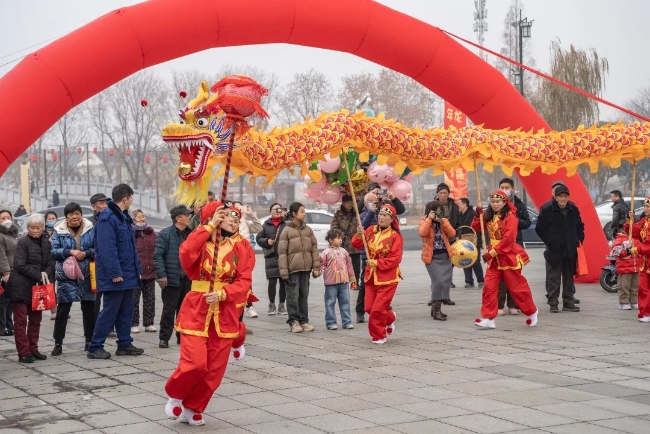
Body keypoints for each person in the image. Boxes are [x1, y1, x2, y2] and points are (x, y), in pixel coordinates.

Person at [164, 201, 253, 426]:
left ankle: (193, 407)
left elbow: (244, 280)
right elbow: (186, 253)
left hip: (224, 313)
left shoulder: (240, 247)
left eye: (235, 217)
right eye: (226, 215)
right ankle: (176, 394)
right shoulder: (200, 242)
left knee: (214, 371)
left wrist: (224, 293)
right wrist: (210, 226)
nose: (233, 220)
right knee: (195, 364)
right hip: (197, 309)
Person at [87, 184, 144, 359]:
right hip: (115, 275)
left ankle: (124, 343)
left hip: (127, 273)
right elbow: (106, 249)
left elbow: (130, 248)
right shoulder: (108, 218)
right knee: (110, 311)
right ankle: (95, 346)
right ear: (125, 199)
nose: (131, 201)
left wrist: (136, 269)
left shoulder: (123, 218)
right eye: (131, 198)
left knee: (126, 310)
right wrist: (114, 272)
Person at [472, 190, 538, 329]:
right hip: (494, 258)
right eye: (493, 202)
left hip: (508, 256)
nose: (495, 204)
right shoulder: (489, 215)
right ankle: (488, 317)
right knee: (489, 287)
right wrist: (478, 216)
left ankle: (532, 311)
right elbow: (477, 228)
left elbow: (508, 240)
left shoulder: (510, 217)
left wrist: (491, 253)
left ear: (504, 202)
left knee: (517, 288)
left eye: (498, 202)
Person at [5, 214, 55, 363]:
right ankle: (23, 351)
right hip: (20, 286)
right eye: (32, 227)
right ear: (28, 228)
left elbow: (50, 262)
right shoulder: (23, 242)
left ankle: (33, 348)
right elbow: (19, 264)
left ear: (43, 227)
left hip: (37, 288)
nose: (35, 230)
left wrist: (46, 273)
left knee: (36, 320)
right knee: (20, 321)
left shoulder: (46, 243)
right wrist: (39, 275)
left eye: (38, 227)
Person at [50, 203, 96, 355]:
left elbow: (98, 249)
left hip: (87, 275)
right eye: (71, 214)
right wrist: (70, 252)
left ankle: (89, 341)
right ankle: (58, 343)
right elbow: (54, 251)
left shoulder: (91, 229)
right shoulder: (59, 230)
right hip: (66, 276)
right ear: (66, 217)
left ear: (81, 215)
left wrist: (86, 253)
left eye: (77, 213)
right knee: (63, 310)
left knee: (89, 309)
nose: (75, 217)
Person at [352, 203, 402, 344]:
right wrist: (359, 234)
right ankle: (390, 317)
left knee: (378, 309)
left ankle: (379, 335)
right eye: (380, 214)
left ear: (392, 219)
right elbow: (357, 244)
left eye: (385, 215)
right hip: (371, 276)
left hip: (388, 278)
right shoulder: (370, 230)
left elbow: (395, 259)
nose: (381, 217)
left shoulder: (395, 237)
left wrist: (376, 263)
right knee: (369, 308)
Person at [535, 185, 584, 313]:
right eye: (560, 196)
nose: (563, 199)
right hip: (554, 250)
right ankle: (553, 303)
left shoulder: (573, 209)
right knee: (554, 277)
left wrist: (579, 239)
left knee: (569, 277)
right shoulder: (547, 209)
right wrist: (549, 241)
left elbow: (579, 226)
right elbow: (539, 228)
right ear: (555, 197)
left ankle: (568, 302)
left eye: (565, 196)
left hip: (570, 248)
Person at [278, 202, 321, 333]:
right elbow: (282, 253)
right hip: (292, 270)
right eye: (301, 211)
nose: (304, 214)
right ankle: (293, 321)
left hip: (306, 269)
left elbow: (314, 249)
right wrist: (284, 272)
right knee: (292, 296)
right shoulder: (286, 230)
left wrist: (316, 267)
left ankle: (304, 320)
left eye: (304, 211)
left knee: (304, 295)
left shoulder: (308, 230)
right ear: (294, 214)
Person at [155, 205, 193, 348]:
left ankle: (181, 336)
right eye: (186, 215)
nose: (189, 218)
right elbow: (158, 255)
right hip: (171, 278)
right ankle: (164, 338)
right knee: (169, 310)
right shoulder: (165, 234)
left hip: (188, 278)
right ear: (178, 218)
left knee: (185, 310)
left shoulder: (191, 234)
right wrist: (161, 275)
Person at [497, 177, 532, 315]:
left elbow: (527, 222)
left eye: (507, 187)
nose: (504, 190)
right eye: (502, 187)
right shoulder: (496, 203)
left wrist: (514, 221)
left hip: (515, 243)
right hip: (499, 245)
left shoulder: (519, 204)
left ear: (512, 188)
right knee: (500, 277)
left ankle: (513, 305)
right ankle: (499, 305)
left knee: (514, 275)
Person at [419, 201, 456, 321]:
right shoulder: (424, 221)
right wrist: (429, 219)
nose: (438, 213)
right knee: (438, 282)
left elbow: (452, 234)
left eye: (440, 210)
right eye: (435, 211)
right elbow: (422, 233)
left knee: (445, 282)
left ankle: (436, 308)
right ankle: (436, 310)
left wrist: (442, 222)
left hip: (445, 256)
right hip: (432, 257)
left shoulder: (443, 221)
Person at [320, 229, 356, 330]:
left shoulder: (344, 251)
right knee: (330, 303)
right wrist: (318, 272)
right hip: (331, 283)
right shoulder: (325, 253)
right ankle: (331, 322)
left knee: (345, 302)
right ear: (330, 240)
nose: (340, 240)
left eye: (341, 238)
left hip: (344, 282)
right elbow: (322, 265)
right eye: (338, 238)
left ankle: (347, 322)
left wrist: (352, 278)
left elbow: (349, 265)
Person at [88, 193, 113, 335]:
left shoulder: (112, 219)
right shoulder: (89, 223)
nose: (104, 206)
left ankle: (109, 327)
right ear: (94, 206)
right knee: (95, 300)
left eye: (106, 203)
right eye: (101, 203)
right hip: (94, 265)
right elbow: (88, 245)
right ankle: (94, 329)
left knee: (111, 299)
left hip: (110, 264)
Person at [232, 201, 262, 318]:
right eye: (235, 208)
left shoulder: (245, 222)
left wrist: (251, 214)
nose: (238, 210)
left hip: (245, 255)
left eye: (240, 207)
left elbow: (258, 228)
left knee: (246, 280)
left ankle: (249, 306)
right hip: (232, 255)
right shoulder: (228, 223)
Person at [256, 203, 287, 315]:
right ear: (270, 211)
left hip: (284, 257)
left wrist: (286, 216)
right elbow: (259, 238)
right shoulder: (265, 225)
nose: (278, 211)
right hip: (271, 257)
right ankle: (272, 304)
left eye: (280, 209)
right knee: (272, 282)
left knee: (283, 282)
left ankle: (282, 304)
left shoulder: (286, 224)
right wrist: (266, 241)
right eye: (275, 209)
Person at [131, 209, 157, 333]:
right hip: (136, 272)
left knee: (150, 298)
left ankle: (149, 323)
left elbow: (156, 249)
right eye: (139, 217)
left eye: (143, 216)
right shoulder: (131, 232)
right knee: (134, 299)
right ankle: (133, 323)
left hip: (150, 271)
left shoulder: (150, 232)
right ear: (133, 219)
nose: (142, 219)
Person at [434, 183, 460, 299]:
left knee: (451, 261)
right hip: (438, 238)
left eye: (445, 193)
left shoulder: (454, 206)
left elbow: (458, 221)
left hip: (452, 236)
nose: (443, 195)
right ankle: (439, 284)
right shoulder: (433, 206)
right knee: (440, 262)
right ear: (437, 194)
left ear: (448, 194)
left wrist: (458, 234)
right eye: (440, 193)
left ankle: (448, 281)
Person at [330, 195, 361, 290]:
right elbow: (333, 228)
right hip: (344, 245)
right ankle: (342, 282)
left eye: (351, 202)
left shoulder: (356, 213)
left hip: (355, 245)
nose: (349, 204)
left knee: (356, 267)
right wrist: (342, 236)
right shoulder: (338, 215)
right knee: (342, 266)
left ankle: (355, 284)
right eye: (347, 202)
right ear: (343, 203)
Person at [626, 198, 650, 321]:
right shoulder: (644, 221)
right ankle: (645, 312)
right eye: (644, 206)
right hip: (645, 261)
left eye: (648, 206)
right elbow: (634, 232)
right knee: (643, 287)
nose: (645, 209)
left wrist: (635, 250)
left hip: (647, 257)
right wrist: (630, 220)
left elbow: (648, 243)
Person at [610, 223, 639, 310]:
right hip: (624, 267)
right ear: (621, 229)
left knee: (635, 286)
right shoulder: (619, 239)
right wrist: (626, 251)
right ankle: (624, 302)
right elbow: (615, 251)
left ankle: (634, 301)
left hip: (636, 267)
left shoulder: (636, 238)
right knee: (624, 286)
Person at [457, 198, 484, 289]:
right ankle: (469, 281)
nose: (458, 205)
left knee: (475, 261)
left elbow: (477, 227)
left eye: (459, 203)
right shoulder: (459, 215)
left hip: (474, 240)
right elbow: (459, 227)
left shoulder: (473, 213)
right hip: (464, 241)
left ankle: (481, 280)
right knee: (465, 260)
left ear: (465, 204)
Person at [0, 209, 19, 337]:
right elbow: (1, 256)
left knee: (10, 301)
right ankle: (3, 328)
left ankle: (9, 326)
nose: (6, 220)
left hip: (14, 272)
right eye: (3, 218)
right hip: (4, 273)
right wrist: (6, 272)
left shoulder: (12, 234)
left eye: (8, 217)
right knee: (3, 302)